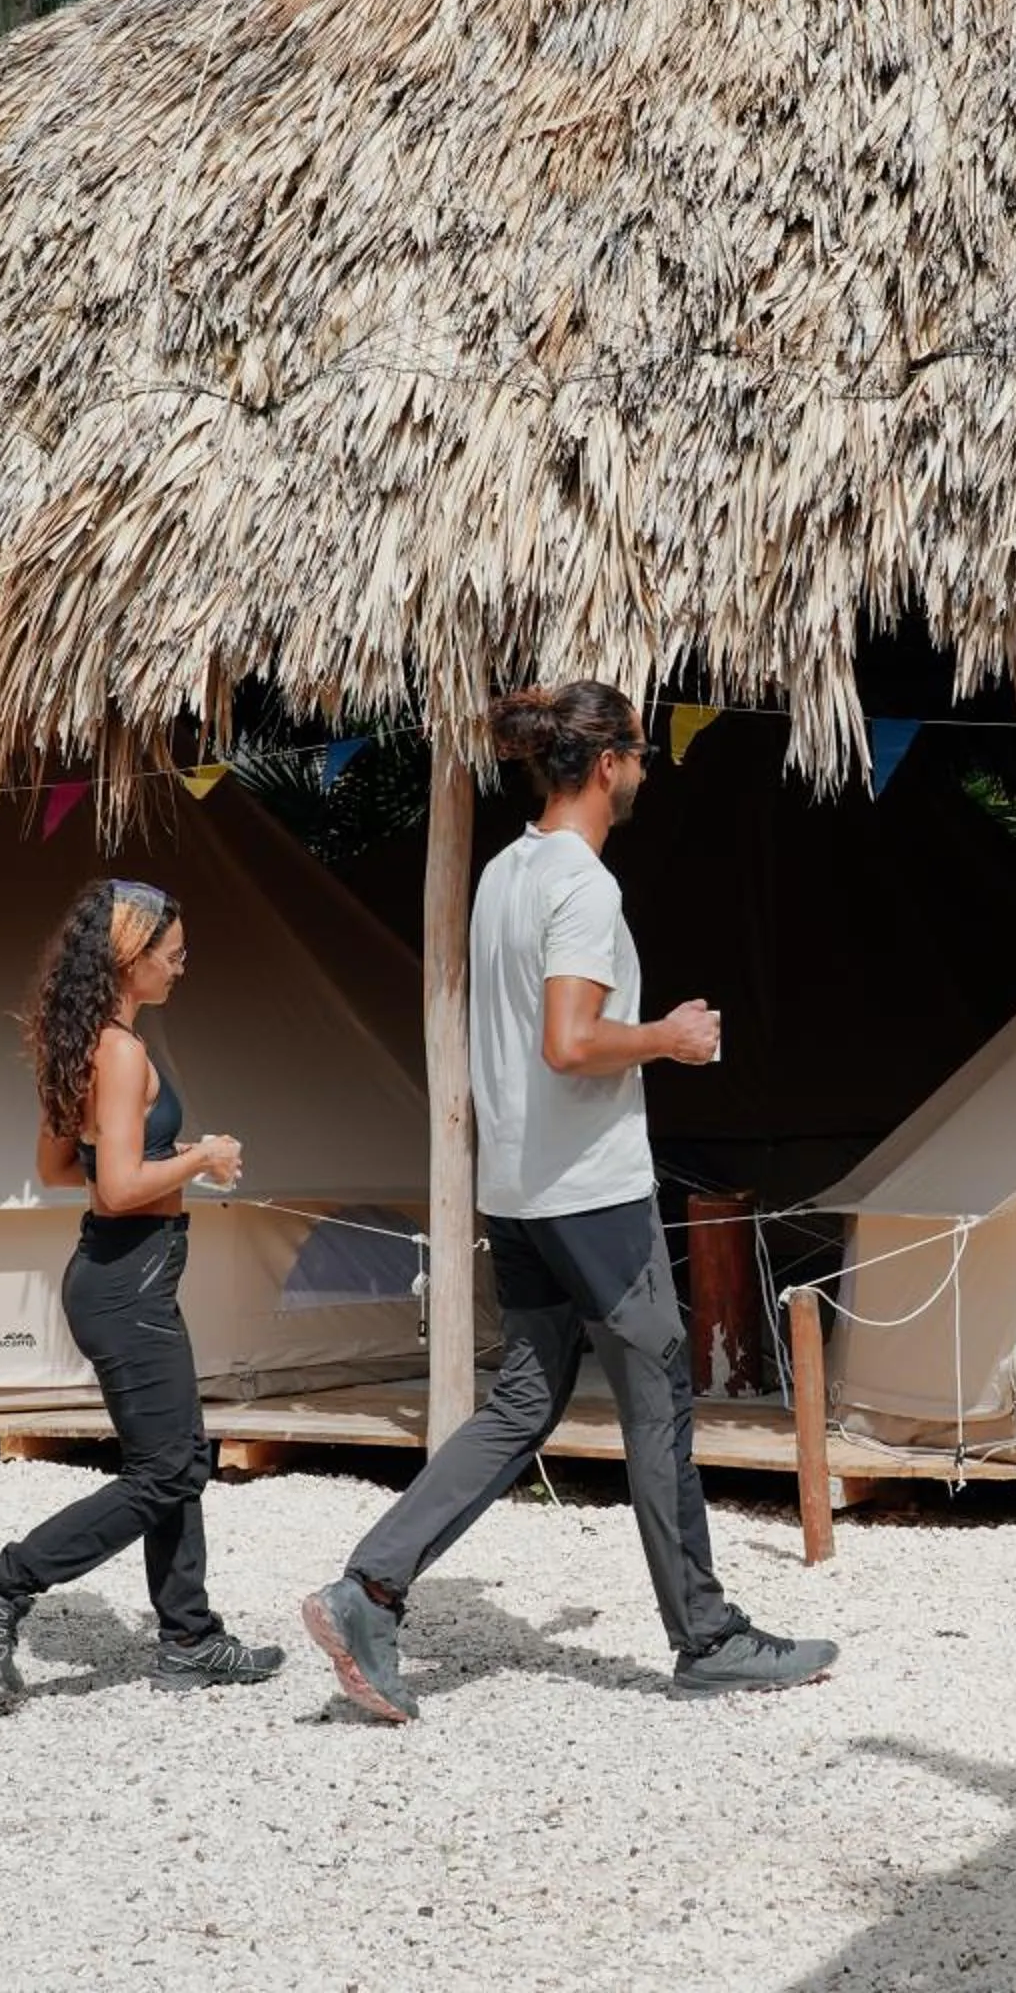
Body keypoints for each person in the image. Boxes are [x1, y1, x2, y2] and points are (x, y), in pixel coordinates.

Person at [302, 682, 837, 1720]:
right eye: (639, 754)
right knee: (658, 1398)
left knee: (522, 1401)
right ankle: (709, 1637)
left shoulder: (505, 871)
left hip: (517, 1187)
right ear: (605, 765)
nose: (644, 770)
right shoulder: (586, 887)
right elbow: (571, 1040)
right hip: (591, 1193)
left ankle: (368, 1586)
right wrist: (669, 1037)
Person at [0, 878, 284, 1695]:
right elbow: (116, 1189)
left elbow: (57, 1165)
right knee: (166, 1470)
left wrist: (161, 1157)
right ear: (131, 959)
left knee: (175, 1454)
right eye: (173, 955)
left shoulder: (84, 1043)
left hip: (118, 1278)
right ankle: (3, 1583)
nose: (181, 967)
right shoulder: (123, 1053)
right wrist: (199, 1158)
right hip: (128, 1280)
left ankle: (190, 1636)